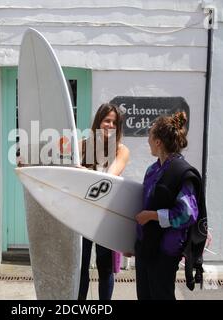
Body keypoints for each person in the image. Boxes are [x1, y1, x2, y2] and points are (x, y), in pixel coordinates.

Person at [134, 111, 202, 300]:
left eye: (149, 135)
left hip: (165, 250)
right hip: (146, 247)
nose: (147, 140)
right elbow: (143, 205)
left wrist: (152, 216)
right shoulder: (153, 170)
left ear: (158, 142)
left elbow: (187, 214)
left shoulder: (180, 172)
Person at [78, 103, 130, 300]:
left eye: (114, 122)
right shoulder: (83, 145)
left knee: (105, 268)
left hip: (106, 217)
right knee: (81, 266)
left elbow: (109, 178)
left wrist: (81, 171)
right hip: (83, 215)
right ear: (98, 122)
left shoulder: (121, 150)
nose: (110, 125)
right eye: (106, 120)